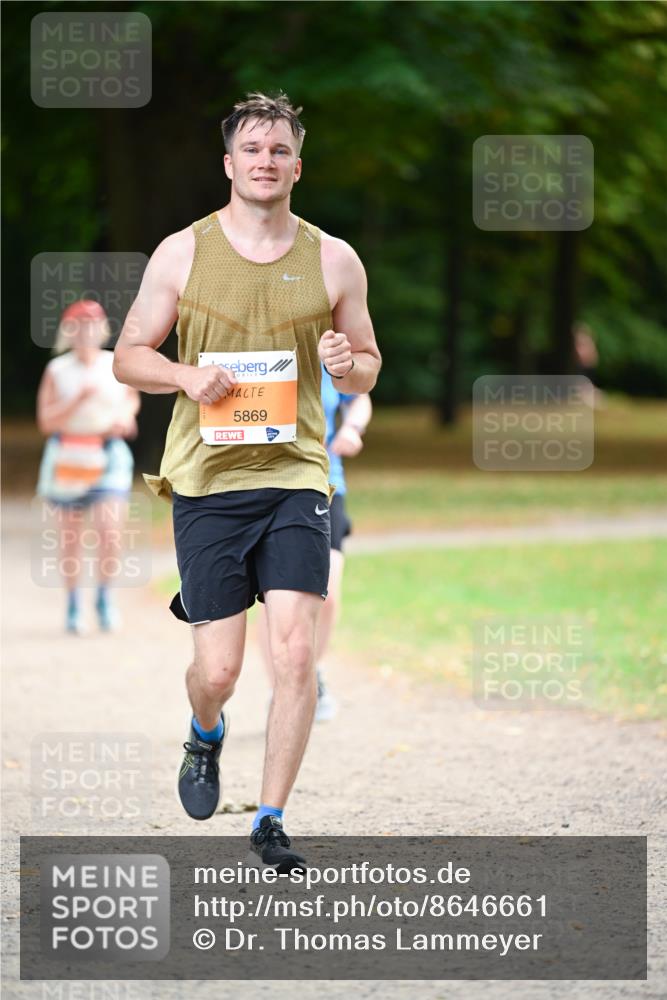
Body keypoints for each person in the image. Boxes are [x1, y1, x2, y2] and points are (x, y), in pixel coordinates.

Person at [113, 92, 381, 870]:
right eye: (252, 149)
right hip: (207, 481)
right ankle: (204, 733)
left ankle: (269, 818)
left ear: (298, 165)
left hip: (297, 474)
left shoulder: (333, 257)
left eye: (279, 150)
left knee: (294, 653)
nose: (266, 161)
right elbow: (130, 354)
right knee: (219, 671)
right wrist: (183, 374)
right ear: (228, 164)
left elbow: (366, 363)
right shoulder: (182, 252)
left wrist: (346, 366)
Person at [257, 373, 372, 722]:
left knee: (328, 591)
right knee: (272, 599)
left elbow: (360, 397)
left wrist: (352, 428)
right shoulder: (259, 348)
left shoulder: (327, 347)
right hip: (261, 483)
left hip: (323, 482)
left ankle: (312, 672)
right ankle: (282, 686)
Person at [36, 299, 140, 634]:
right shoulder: (57, 370)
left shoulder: (116, 364)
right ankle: (72, 604)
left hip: (108, 455)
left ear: (102, 330)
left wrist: (125, 419)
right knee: (70, 539)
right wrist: (75, 401)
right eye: (79, 327)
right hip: (70, 457)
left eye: (92, 326)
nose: (86, 333)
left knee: (110, 533)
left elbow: (131, 400)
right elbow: (46, 421)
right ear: (69, 332)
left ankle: (104, 598)